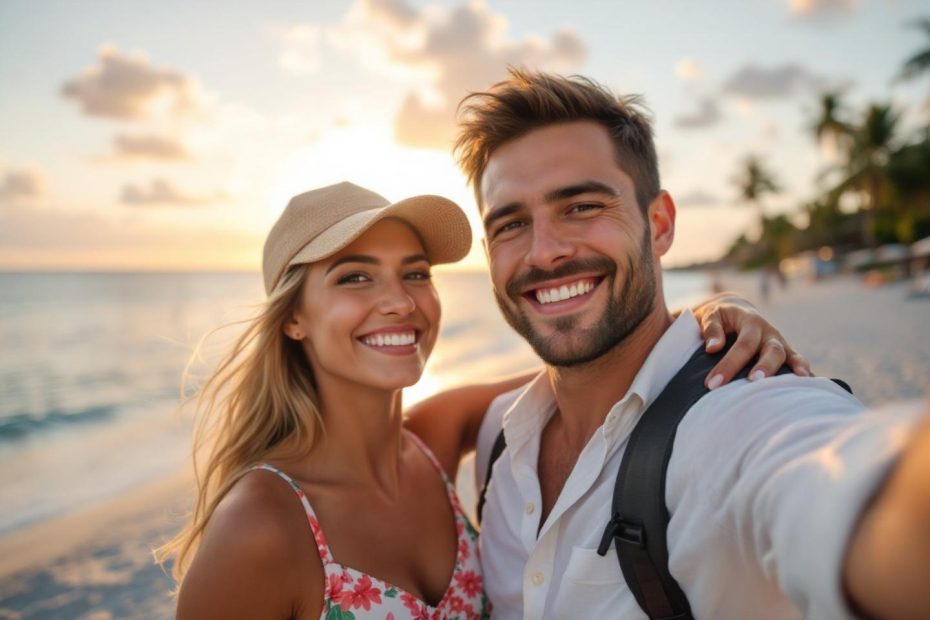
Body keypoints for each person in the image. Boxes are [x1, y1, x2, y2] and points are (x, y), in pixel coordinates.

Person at [158, 181, 806, 619]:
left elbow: (598, 373)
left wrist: (714, 317)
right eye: (355, 276)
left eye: (414, 272)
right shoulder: (262, 525)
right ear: (293, 318)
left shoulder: (433, 439)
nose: (401, 300)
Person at [454, 68, 930, 619]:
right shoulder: (497, 436)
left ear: (658, 225)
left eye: (581, 207)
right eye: (510, 225)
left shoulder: (741, 415)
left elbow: (852, 489)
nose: (543, 252)